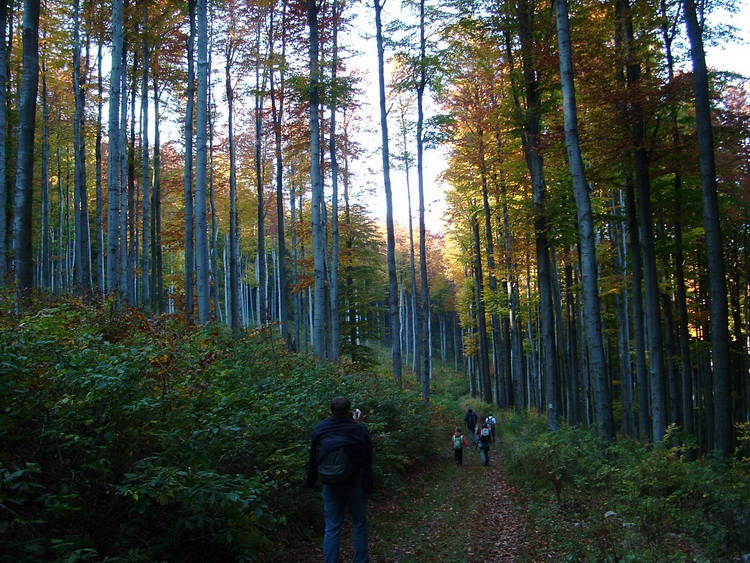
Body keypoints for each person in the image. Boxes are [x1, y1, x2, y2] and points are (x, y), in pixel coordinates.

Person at [306, 396, 373, 563]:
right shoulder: (358, 429)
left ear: (331, 410)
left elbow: (313, 456)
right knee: (359, 525)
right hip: (353, 484)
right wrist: (368, 484)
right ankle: (361, 560)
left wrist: (311, 480)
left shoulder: (321, 427)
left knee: (332, 528)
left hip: (329, 484)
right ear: (349, 410)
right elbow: (367, 456)